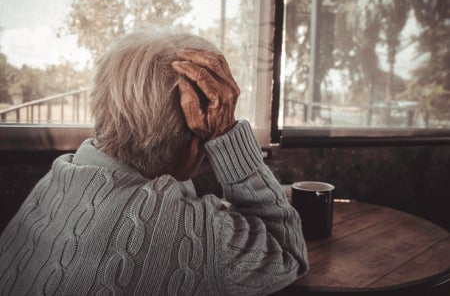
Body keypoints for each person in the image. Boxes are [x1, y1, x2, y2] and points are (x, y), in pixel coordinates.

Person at [0, 29, 308, 295]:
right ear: (193, 147)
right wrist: (226, 134)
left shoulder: (56, 180)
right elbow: (287, 251)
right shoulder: (189, 232)